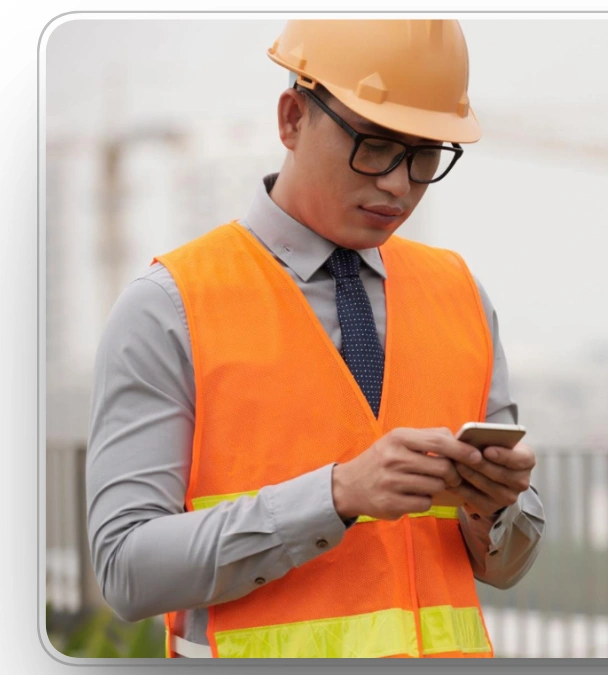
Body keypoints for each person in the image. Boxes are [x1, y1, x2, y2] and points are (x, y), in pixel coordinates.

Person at [85, 19, 544, 659]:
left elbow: (505, 566)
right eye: (377, 145)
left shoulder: (459, 292)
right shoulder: (170, 306)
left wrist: (494, 511)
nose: (399, 184)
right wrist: (334, 497)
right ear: (293, 118)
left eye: (425, 155)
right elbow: (126, 570)